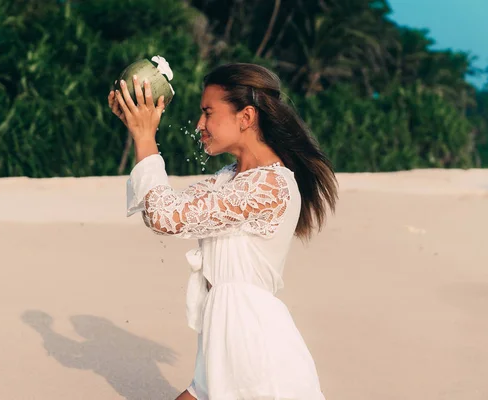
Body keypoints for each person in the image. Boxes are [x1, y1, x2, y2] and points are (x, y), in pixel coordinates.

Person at [108, 63, 338, 400]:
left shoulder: (272, 185)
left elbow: (165, 217)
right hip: (224, 333)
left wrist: (146, 139)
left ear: (245, 117)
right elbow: (159, 213)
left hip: (251, 340)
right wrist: (137, 129)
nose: (200, 124)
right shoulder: (228, 179)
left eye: (207, 112)